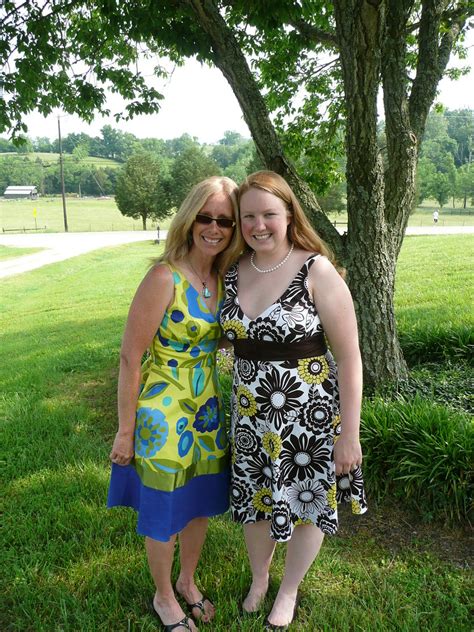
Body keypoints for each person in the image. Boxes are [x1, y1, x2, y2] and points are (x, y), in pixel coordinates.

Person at [220, 171, 367, 630]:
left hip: (309, 415)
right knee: (254, 501)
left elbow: (349, 359)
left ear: (288, 215)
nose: (258, 225)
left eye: (269, 214)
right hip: (249, 414)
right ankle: (260, 579)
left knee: (306, 504)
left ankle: (289, 588)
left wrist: (350, 433)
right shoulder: (231, 271)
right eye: (248, 216)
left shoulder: (315, 269)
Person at [107, 176, 242, 632]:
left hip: (206, 407)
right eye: (206, 217)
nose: (214, 227)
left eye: (224, 220)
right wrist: (126, 430)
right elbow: (131, 356)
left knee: (199, 503)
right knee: (164, 509)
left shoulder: (223, 278)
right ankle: (164, 596)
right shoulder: (163, 276)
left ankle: (187, 581)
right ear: (189, 219)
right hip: (163, 411)